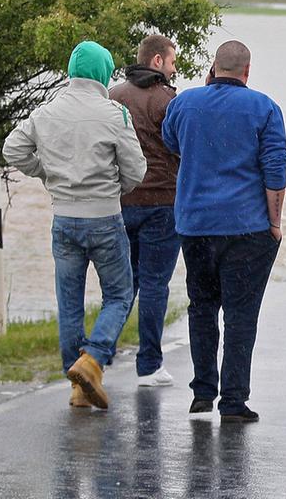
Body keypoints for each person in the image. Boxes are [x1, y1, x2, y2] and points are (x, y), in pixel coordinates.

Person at [3, 40, 145, 410]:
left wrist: (46, 173)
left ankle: (78, 386)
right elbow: (137, 170)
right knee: (119, 294)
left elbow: (12, 150)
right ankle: (93, 359)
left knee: (69, 302)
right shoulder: (114, 114)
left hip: (64, 219)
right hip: (104, 219)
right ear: (103, 73)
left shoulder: (46, 112)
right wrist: (115, 190)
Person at [162, 40, 286, 423]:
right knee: (240, 314)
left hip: (195, 225)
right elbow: (275, 171)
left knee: (201, 307)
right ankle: (233, 401)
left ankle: (202, 391)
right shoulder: (265, 108)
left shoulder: (184, 103)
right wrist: (275, 224)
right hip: (246, 228)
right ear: (247, 72)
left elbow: (172, 142)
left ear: (213, 68)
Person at [109, 34, 182, 387]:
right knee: (155, 284)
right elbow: (180, 148)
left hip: (120, 202)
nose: (173, 68)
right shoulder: (166, 100)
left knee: (124, 284)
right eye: (171, 62)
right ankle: (149, 365)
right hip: (162, 204)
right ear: (156, 62)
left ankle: (99, 354)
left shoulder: (114, 97)